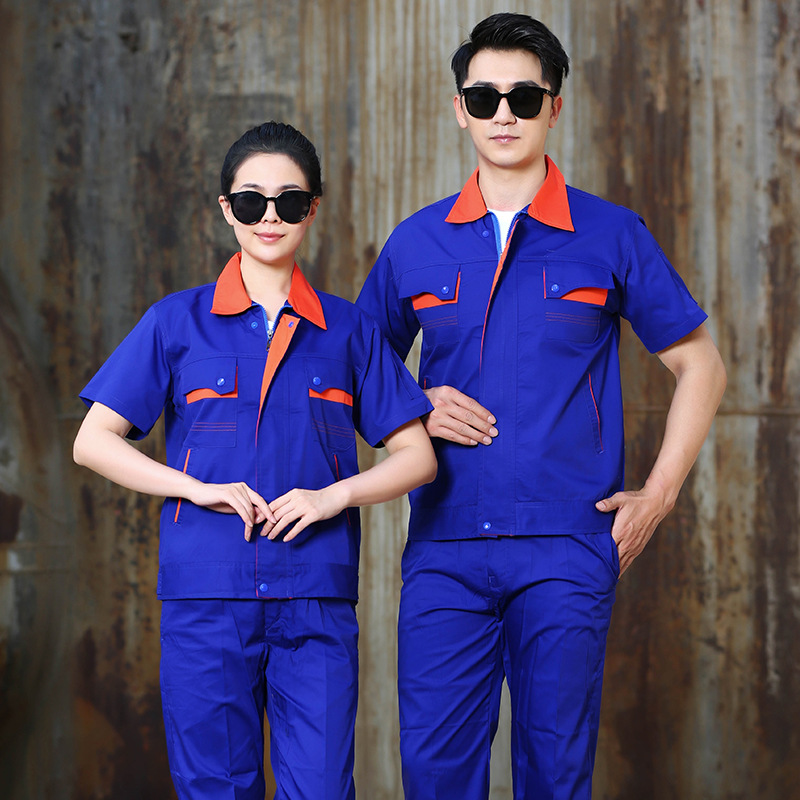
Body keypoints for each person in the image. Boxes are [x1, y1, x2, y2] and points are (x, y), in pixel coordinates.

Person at [356, 12, 726, 800]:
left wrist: (659, 495)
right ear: (459, 109)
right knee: (433, 777)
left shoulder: (610, 234)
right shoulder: (416, 242)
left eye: (524, 97)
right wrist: (414, 404)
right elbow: (352, 375)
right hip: (445, 548)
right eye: (483, 98)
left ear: (554, 107)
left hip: (567, 546)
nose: (503, 115)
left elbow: (700, 365)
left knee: (554, 776)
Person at [73, 121, 437, 800]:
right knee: (216, 788)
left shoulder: (349, 331)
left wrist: (332, 497)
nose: (270, 217)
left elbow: (418, 457)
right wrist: (196, 488)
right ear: (226, 209)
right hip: (206, 599)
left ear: (312, 209)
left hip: (315, 598)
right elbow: (92, 441)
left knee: (321, 788)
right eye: (251, 202)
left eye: (289, 202)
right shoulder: (176, 323)